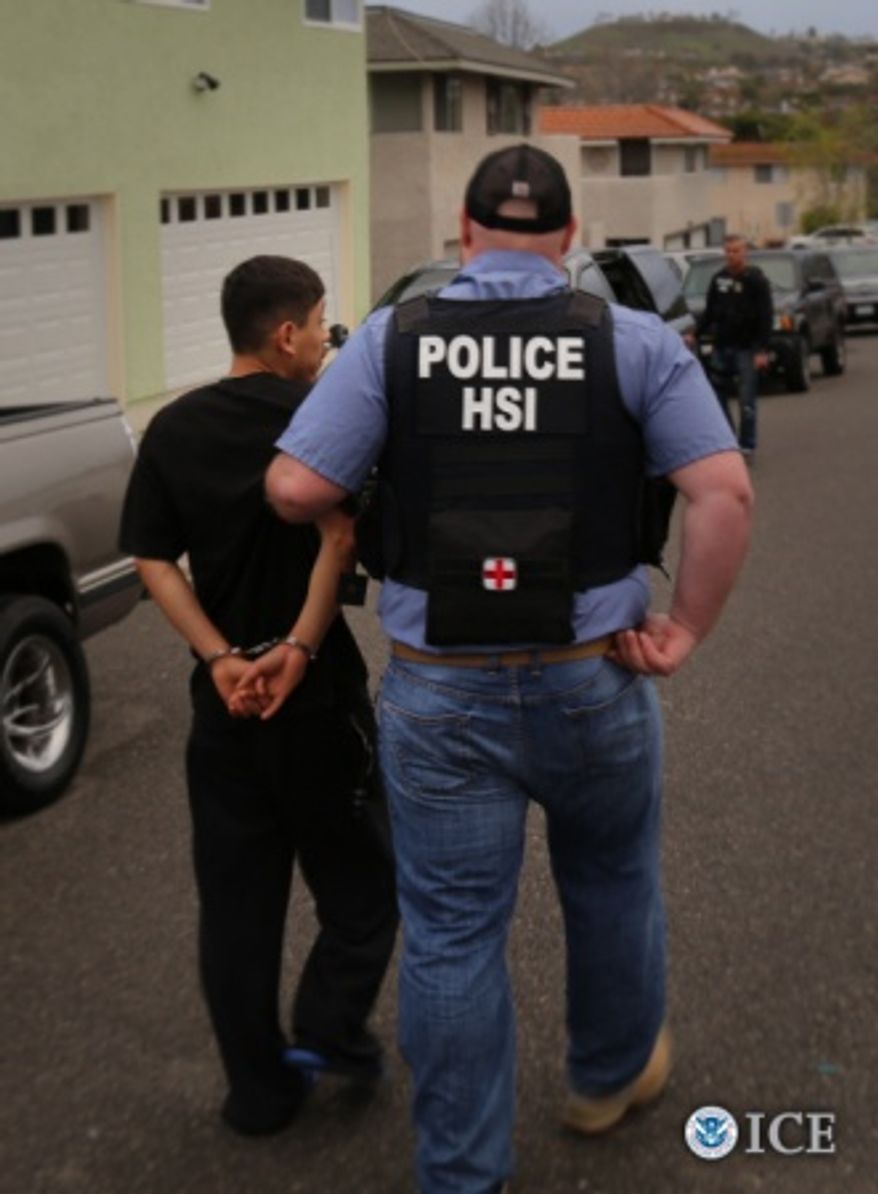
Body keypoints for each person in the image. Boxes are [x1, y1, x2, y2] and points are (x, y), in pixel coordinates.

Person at [258, 146, 754, 1194]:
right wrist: (682, 633)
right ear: (569, 238)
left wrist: (361, 503)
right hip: (591, 672)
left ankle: (461, 1172)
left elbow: (295, 487)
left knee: (449, 933)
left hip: (439, 689)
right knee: (612, 884)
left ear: (464, 232)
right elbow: (721, 494)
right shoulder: (630, 339)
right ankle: (605, 1079)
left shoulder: (391, 341)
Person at [118, 255, 397, 1137]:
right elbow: (342, 537)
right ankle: (330, 1026)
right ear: (286, 334)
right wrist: (299, 650)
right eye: (319, 323)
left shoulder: (171, 427)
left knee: (237, 911)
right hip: (316, 708)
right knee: (368, 888)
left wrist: (218, 659)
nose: (324, 338)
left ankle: (261, 1093)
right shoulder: (321, 421)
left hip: (224, 715)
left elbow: (153, 558)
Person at [696, 234, 773, 456]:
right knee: (717, 394)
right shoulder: (718, 279)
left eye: (736, 251)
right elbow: (710, 312)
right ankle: (728, 440)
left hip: (748, 349)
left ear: (745, 252)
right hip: (722, 346)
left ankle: (747, 443)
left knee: (746, 399)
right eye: (728, 251)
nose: (731, 255)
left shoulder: (756, 280)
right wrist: (696, 333)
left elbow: (765, 316)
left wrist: (762, 349)